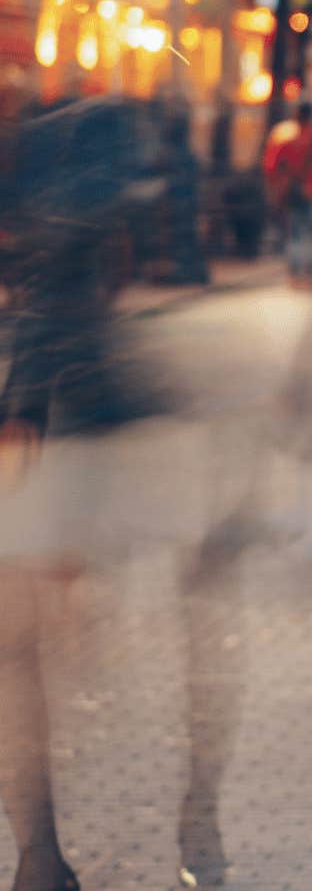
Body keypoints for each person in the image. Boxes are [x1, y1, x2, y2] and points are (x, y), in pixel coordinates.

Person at [0, 93, 248, 890]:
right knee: (24, 647)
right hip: (67, 421)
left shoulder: (77, 136)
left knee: (190, 619)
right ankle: (45, 850)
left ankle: (190, 816)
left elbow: (64, 278)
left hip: (101, 414)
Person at [261, 103, 312, 290]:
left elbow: (270, 167)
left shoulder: (286, 140)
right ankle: (310, 274)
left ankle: (294, 275)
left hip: (296, 193)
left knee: (295, 233)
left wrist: (278, 186)